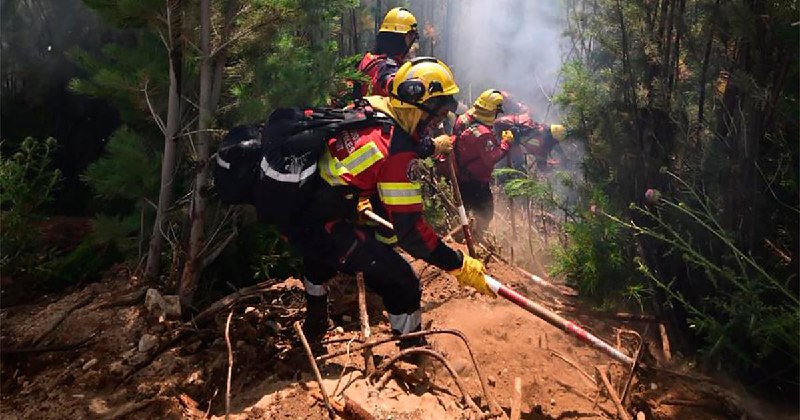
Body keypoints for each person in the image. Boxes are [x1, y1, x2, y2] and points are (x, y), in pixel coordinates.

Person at [260, 58, 494, 349]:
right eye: (436, 114)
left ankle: (316, 323)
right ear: (417, 106)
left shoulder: (373, 106)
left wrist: (350, 197)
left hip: (305, 211)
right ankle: (411, 354)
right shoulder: (396, 153)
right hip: (320, 224)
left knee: (319, 259)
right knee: (403, 281)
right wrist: (459, 265)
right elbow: (411, 232)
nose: (437, 123)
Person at [451, 89, 516, 240]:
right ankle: (476, 239)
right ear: (493, 111)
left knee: (463, 211)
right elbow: (491, 158)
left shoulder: (463, 119)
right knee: (486, 212)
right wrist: (506, 144)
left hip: (459, 174)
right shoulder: (483, 134)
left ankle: (461, 236)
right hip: (476, 181)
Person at [354, 7, 419, 99]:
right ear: (399, 39)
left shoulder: (367, 60)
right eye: (410, 38)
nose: (413, 46)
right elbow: (389, 81)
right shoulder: (387, 66)